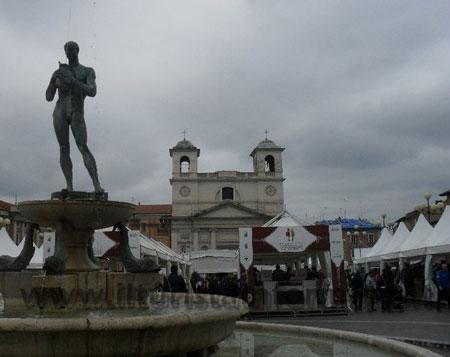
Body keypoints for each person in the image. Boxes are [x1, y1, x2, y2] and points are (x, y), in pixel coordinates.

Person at [46, 41, 103, 193]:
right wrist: (54, 84)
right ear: (65, 52)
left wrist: (74, 82)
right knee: (64, 148)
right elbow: (48, 97)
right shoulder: (58, 72)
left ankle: (97, 185)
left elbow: (92, 91)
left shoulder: (87, 71)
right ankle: (69, 186)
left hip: (77, 111)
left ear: (78, 50)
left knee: (83, 146)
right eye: (67, 49)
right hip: (60, 111)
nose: (69, 51)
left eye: (72, 48)